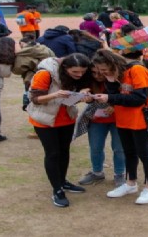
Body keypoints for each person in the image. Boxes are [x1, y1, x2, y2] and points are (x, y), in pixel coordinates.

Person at [91, 49, 148, 205]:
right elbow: (116, 96)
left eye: (104, 69)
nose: (102, 73)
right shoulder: (116, 75)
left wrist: (110, 97)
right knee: (128, 152)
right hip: (123, 119)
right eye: (99, 70)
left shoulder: (137, 70)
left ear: (113, 63)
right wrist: (109, 80)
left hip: (141, 119)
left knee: (144, 153)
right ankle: (130, 183)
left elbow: (139, 98)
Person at [27, 53, 92, 207]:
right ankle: (57, 190)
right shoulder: (45, 73)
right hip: (45, 120)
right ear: (65, 67)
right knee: (53, 153)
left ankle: (62, 181)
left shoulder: (79, 75)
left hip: (66, 119)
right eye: (75, 72)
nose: (79, 75)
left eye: (82, 71)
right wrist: (54, 94)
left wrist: (82, 96)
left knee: (64, 151)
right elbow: (35, 99)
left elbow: (67, 101)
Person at [77, 63, 125, 187]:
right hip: (96, 119)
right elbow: (78, 95)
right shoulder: (89, 82)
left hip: (118, 119)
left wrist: (115, 106)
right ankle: (97, 172)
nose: (98, 75)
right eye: (94, 72)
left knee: (119, 148)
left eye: (101, 72)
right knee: (95, 147)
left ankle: (119, 174)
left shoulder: (118, 81)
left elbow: (127, 96)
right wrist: (83, 94)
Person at [12, 34, 55, 138]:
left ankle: (39, 130)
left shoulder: (26, 53)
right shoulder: (46, 49)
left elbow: (18, 69)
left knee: (35, 104)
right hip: (50, 77)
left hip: (33, 79)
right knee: (48, 102)